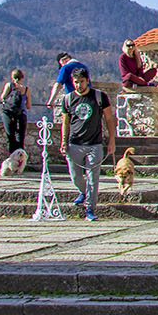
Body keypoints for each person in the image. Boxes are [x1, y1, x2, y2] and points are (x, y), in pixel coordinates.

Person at [58, 67, 115, 222]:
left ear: (87, 81)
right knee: (75, 176)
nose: (79, 85)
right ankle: (83, 192)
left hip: (94, 144)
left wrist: (111, 140)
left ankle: (90, 208)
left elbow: (109, 119)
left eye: (81, 82)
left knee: (93, 177)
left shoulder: (99, 97)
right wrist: (64, 141)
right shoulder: (68, 99)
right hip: (75, 143)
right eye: (76, 82)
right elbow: (65, 122)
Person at [0, 69, 29, 155]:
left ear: (12, 77)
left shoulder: (9, 86)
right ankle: (21, 159)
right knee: (20, 137)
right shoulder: (26, 89)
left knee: (10, 136)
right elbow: (28, 106)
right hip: (21, 114)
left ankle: (11, 157)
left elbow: (2, 97)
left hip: (8, 113)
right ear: (22, 77)